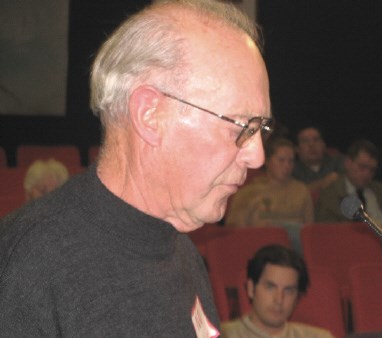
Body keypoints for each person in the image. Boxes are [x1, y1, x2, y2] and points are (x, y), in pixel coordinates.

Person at [0, 1, 272, 336]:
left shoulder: (180, 250)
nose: (257, 156)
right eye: (243, 126)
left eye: (262, 129)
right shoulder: (28, 265)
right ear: (149, 115)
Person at [221, 244, 334, 338]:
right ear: (251, 288)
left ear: (297, 298)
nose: (279, 299)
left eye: (288, 291)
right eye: (270, 287)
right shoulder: (222, 335)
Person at [225, 138, 313, 253]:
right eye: (281, 160)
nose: (286, 166)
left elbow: (310, 232)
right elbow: (236, 232)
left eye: (290, 161)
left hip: (294, 252)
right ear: (267, 161)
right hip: (259, 250)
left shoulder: (301, 190)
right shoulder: (248, 193)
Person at [315, 139, 382, 229]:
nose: (367, 174)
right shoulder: (330, 195)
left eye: (372, 170)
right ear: (348, 163)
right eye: (362, 167)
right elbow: (327, 232)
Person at [292, 126, 344, 192]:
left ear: (324, 145)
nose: (311, 145)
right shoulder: (292, 170)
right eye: (305, 141)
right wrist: (322, 183)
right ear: (297, 149)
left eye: (316, 140)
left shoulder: (338, 161)